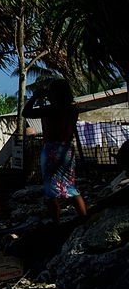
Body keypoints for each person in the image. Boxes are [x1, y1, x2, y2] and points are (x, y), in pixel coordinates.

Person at [22, 78, 88, 223]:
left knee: (51, 190)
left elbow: (25, 113)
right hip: (67, 150)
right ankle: (85, 219)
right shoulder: (72, 109)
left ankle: (56, 223)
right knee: (70, 187)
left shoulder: (51, 110)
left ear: (55, 94)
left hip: (52, 150)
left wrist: (35, 97)